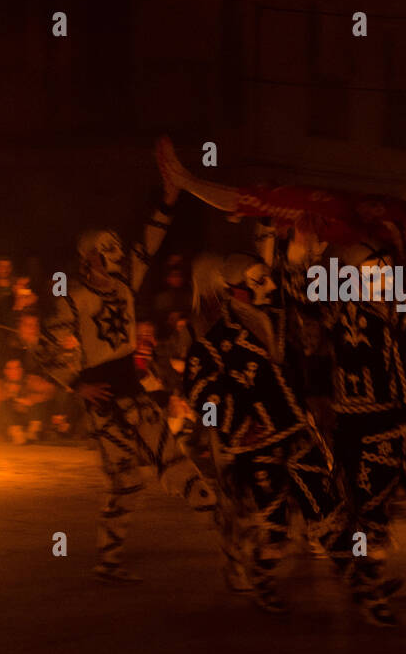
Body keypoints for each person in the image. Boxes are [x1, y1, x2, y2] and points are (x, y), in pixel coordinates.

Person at [43, 158, 214, 583]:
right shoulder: (72, 298)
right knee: (127, 483)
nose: (117, 257)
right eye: (107, 252)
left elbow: (149, 244)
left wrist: (169, 200)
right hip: (103, 402)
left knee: (176, 461)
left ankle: (229, 532)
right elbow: (46, 349)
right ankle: (109, 559)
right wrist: (77, 383)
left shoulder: (124, 285)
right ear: (90, 259)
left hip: (133, 389)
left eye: (116, 251)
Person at [184, 250, 354, 615]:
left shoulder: (282, 322)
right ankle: (261, 575)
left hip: (297, 431)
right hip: (257, 445)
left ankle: (361, 577)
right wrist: (238, 427)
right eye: (259, 280)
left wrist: (301, 257)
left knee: (326, 507)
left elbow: (317, 316)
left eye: (269, 277)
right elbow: (200, 395)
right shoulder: (214, 343)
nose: (271, 285)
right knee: (273, 526)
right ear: (236, 290)